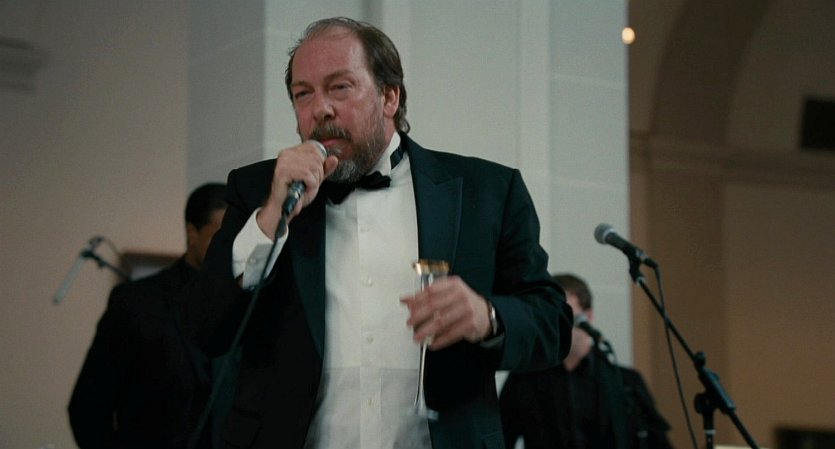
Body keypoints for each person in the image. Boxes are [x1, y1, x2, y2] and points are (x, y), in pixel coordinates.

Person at [178, 16, 572, 449]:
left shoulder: (488, 191)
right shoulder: (258, 190)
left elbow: (552, 323)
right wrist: (272, 216)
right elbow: (204, 327)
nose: (320, 109)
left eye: (339, 87)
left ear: (389, 96)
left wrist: (489, 316)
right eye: (303, 93)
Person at [68, 182, 228, 449]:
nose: (231, 247)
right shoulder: (136, 303)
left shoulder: (253, 301)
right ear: (192, 233)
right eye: (220, 237)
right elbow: (88, 407)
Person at [499, 273, 674, 449]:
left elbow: (658, 444)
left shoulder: (625, 383)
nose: (558, 327)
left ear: (588, 317)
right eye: (552, 319)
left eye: (566, 316)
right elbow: (501, 438)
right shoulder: (523, 379)